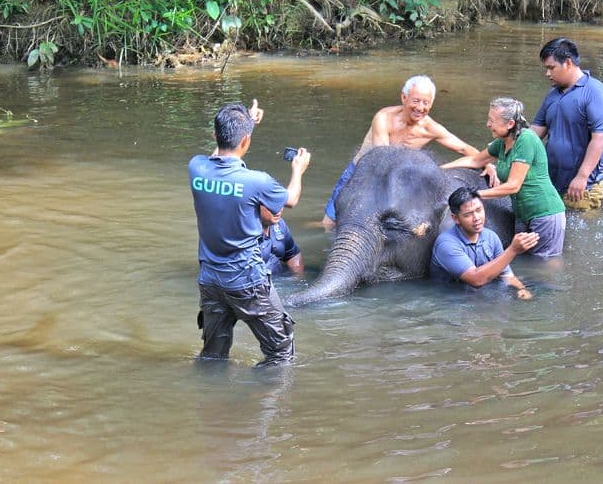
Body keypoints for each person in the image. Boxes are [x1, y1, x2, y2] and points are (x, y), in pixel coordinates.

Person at [189, 100, 311, 367]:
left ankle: (210, 400)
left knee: (213, 355)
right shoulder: (257, 181)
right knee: (281, 353)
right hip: (248, 282)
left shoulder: (196, 168)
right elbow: (290, 199)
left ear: (214, 135)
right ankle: (258, 404)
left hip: (210, 281)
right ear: (246, 141)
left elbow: (216, 157)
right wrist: (297, 170)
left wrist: (246, 125)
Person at [322, 75, 478, 227]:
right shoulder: (384, 118)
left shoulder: (430, 128)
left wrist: (485, 163)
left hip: (396, 180)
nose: (420, 108)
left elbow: (463, 148)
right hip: (362, 173)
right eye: (416, 101)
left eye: (426, 103)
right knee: (330, 224)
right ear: (404, 98)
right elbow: (382, 157)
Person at [443, 98, 566, 258]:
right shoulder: (502, 143)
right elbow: (475, 160)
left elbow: (513, 185)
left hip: (545, 214)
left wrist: (477, 194)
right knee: (522, 262)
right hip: (522, 215)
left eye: (492, 121)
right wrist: (439, 170)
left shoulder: (526, 140)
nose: (488, 124)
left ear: (510, 124)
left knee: (543, 266)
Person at [531, 37, 603, 210]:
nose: (547, 74)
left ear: (568, 63)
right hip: (552, 181)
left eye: (551, 68)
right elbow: (536, 130)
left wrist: (582, 176)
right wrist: (508, 147)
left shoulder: (594, 92)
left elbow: (600, 138)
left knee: (579, 233)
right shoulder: (553, 94)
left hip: (583, 186)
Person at [430, 187, 537, 298]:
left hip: (480, 295)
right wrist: (512, 250)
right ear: (456, 219)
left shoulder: (491, 236)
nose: (476, 218)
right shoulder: (446, 244)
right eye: (468, 215)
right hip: (450, 301)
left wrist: (521, 289)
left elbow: (506, 275)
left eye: (479, 210)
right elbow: (476, 280)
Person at [258, 205, 304, 276]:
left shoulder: (279, 224)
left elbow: (292, 255)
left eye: (280, 203)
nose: (278, 209)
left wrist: (297, 278)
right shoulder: (242, 229)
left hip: (279, 278)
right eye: (272, 205)